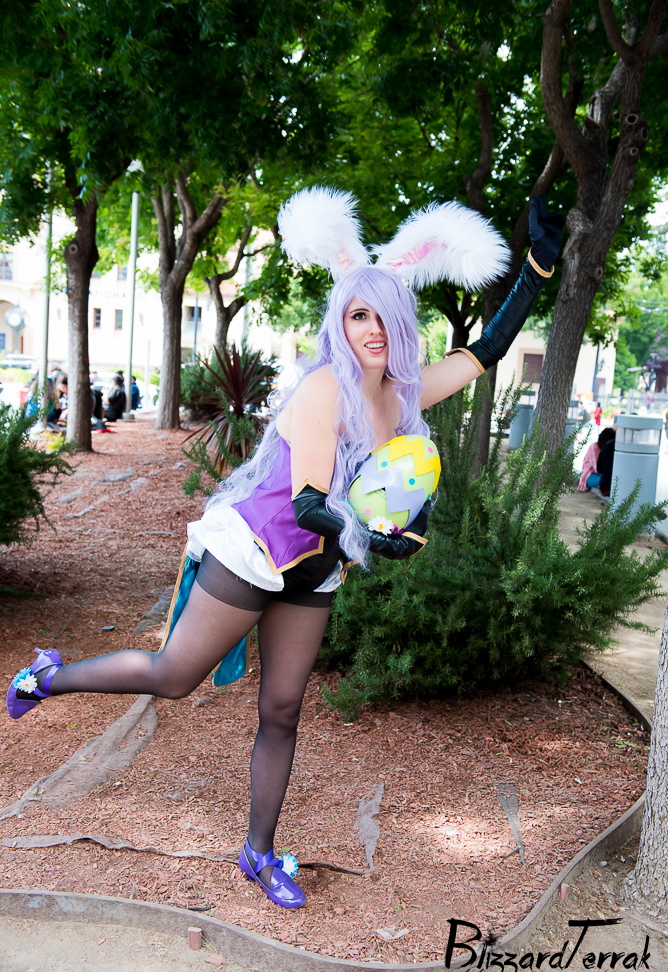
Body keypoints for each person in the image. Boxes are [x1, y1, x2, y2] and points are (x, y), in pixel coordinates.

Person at [6, 189, 564, 910]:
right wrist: (375, 538)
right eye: (358, 315)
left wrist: (537, 269)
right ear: (341, 321)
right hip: (257, 549)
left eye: (383, 316)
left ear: (400, 322)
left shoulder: (403, 395)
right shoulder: (326, 388)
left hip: (315, 568)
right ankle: (48, 676)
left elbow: (486, 351)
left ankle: (259, 853)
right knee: (174, 676)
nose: (372, 329)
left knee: (283, 710)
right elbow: (309, 504)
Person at [578, 427, 615, 491]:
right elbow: (597, 468)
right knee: (609, 482)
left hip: (603, 474)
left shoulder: (607, 448)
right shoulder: (594, 447)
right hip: (591, 474)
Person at [597, 432, 616, 497]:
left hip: (604, 486)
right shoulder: (620, 447)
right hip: (614, 487)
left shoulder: (606, 446)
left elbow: (599, 469)